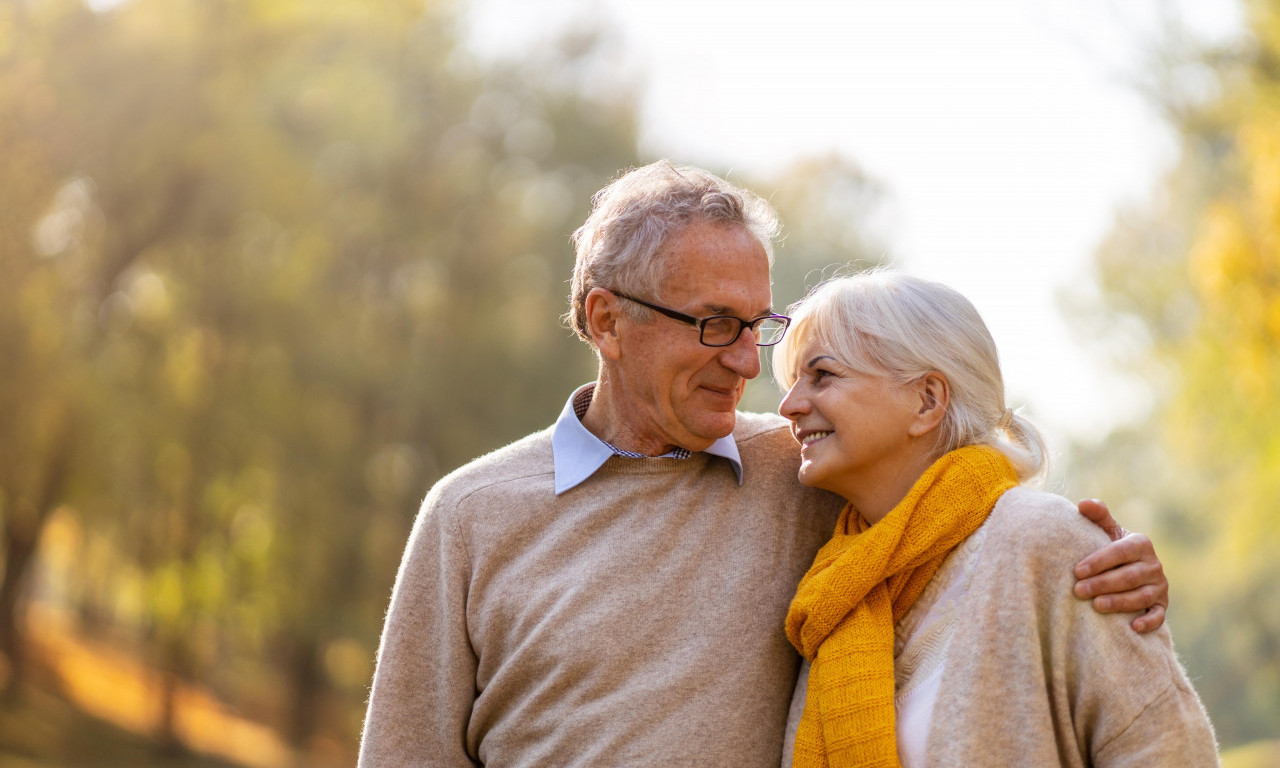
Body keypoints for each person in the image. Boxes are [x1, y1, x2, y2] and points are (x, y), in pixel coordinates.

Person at [358, 161, 1170, 767]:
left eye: (759, 324)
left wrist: (1105, 568)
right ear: (607, 319)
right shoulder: (470, 514)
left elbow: (957, 502)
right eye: (715, 324)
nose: (749, 363)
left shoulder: (808, 471)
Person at [774, 270, 1216, 767]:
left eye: (823, 375)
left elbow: (1167, 749)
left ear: (927, 401)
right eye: (792, 384)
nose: (788, 407)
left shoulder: (1045, 541)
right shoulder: (832, 592)